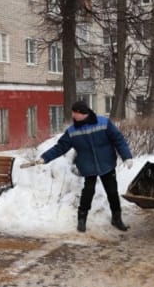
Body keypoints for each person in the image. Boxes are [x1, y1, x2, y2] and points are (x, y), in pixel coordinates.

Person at [37, 100, 133, 233]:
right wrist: (45, 157)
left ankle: (117, 218)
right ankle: (81, 220)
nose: (72, 115)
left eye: (74, 113)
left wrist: (126, 156)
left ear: (82, 113)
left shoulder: (103, 123)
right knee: (88, 193)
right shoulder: (72, 131)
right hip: (88, 166)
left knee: (112, 192)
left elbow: (118, 139)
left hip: (106, 163)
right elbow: (60, 147)